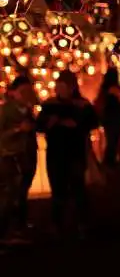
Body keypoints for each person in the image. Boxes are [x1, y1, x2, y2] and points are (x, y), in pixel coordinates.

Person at [36, 71, 99, 238]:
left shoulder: (82, 105)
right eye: (58, 85)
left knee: (78, 188)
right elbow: (40, 126)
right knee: (58, 189)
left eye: (63, 86)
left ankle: (82, 224)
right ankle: (57, 224)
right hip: (56, 152)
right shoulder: (49, 104)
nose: (60, 89)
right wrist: (52, 123)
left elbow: (92, 122)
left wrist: (75, 125)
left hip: (75, 152)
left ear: (71, 88)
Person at [0, 76, 37, 243]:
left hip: (27, 155)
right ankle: (6, 232)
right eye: (23, 92)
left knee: (22, 192)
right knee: (11, 194)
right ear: (14, 93)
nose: (26, 95)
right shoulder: (5, 110)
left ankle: (19, 228)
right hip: (10, 156)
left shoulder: (30, 110)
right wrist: (17, 129)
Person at [95, 68, 120, 169]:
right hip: (115, 119)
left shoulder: (104, 89)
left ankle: (108, 162)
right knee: (113, 141)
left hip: (107, 119)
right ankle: (110, 162)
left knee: (110, 140)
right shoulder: (116, 89)